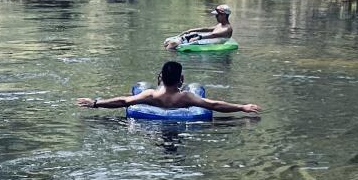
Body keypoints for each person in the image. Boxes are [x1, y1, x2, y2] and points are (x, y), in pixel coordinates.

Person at [78, 60, 259, 116]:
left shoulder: (150, 94)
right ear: (181, 79)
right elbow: (214, 105)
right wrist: (242, 107)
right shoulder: (186, 97)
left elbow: (123, 101)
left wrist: (95, 103)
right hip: (180, 125)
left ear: (160, 78)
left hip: (152, 127)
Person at [165, 4, 234, 50]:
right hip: (206, 39)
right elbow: (208, 29)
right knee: (168, 42)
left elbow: (213, 35)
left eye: (217, 15)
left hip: (208, 41)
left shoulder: (227, 29)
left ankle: (167, 55)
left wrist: (199, 37)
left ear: (224, 15)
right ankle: (169, 50)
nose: (216, 17)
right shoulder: (220, 24)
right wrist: (191, 30)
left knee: (173, 43)